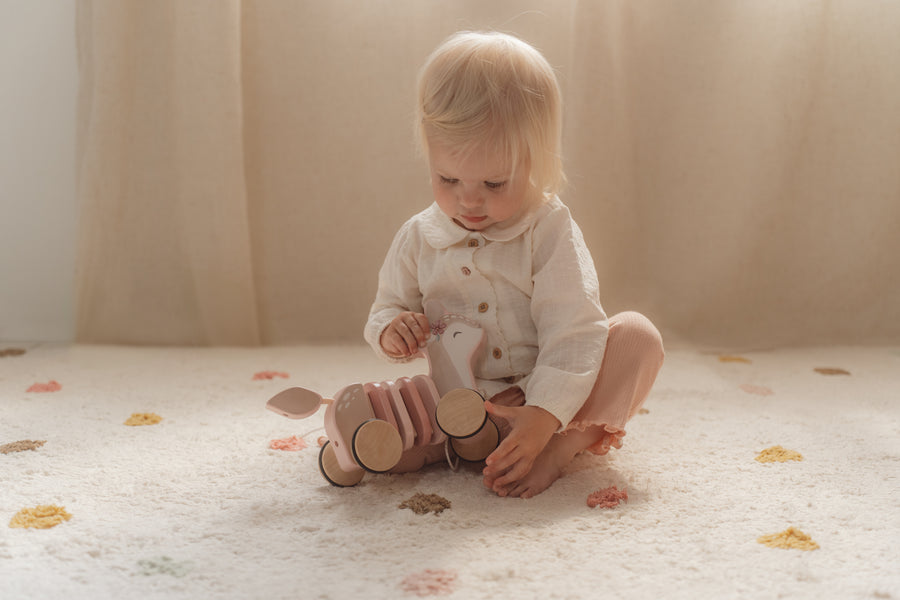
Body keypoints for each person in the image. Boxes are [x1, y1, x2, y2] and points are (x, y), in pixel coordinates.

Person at [364, 31, 664, 499]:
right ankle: (438, 445)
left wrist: (544, 414)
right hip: (462, 401)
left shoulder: (548, 228)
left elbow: (575, 328)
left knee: (637, 337)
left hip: (547, 401)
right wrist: (392, 330)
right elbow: (386, 307)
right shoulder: (419, 236)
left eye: (494, 182)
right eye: (447, 178)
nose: (468, 199)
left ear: (535, 163)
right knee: (399, 405)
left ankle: (559, 449)